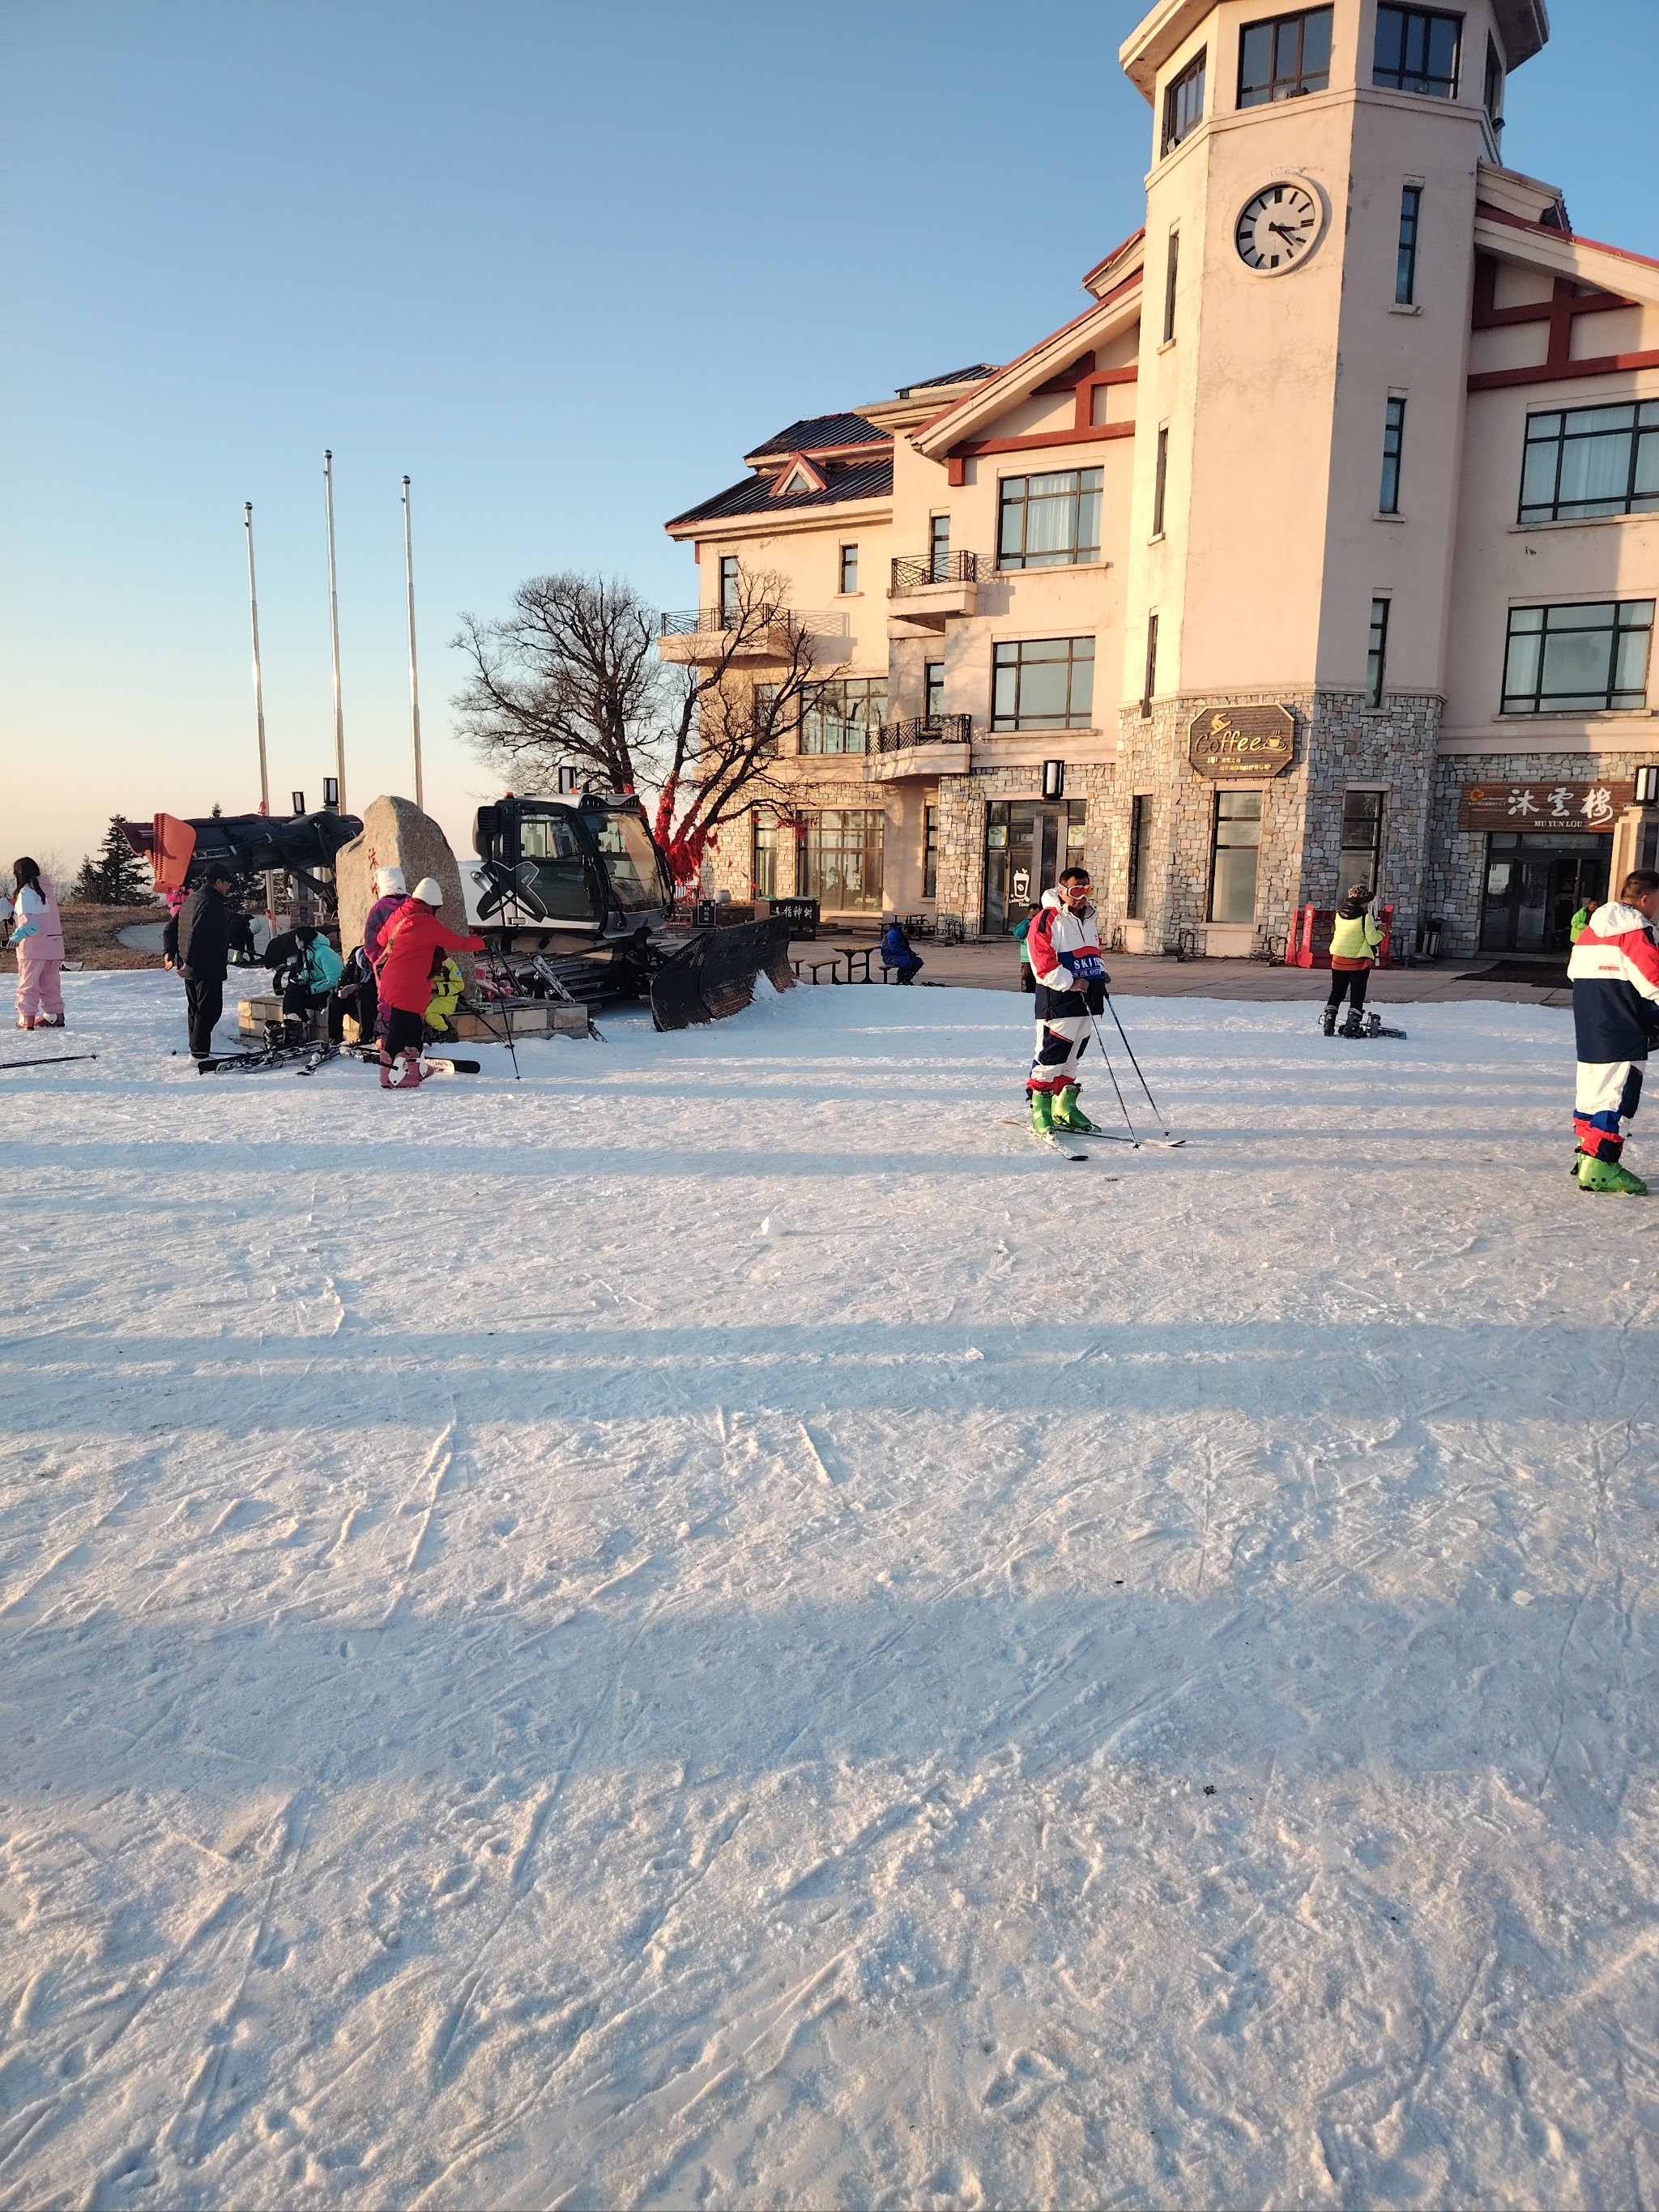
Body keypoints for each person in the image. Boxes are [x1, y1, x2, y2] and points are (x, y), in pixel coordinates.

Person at [1565, 867, 1659, 1194]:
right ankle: (1602, 1168)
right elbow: (1653, 982)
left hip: (1590, 1027)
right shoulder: (1636, 932)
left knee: (1592, 1097)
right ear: (1645, 899)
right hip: (1623, 1029)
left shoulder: (1590, 932)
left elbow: (1573, 972)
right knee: (1617, 1098)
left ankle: (1587, 1155)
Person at [373, 876, 484, 1089]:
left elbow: (380, 939)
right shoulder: (426, 922)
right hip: (408, 983)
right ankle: (389, 1077)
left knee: (414, 1024)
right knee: (399, 1027)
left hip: (395, 977)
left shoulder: (400, 915)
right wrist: (482, 942)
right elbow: (458, 943)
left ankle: (417, 1068)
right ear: (433, 904)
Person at [1026, 867, 1107, 1136]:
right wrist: (1069, 981)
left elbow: (1092, 951)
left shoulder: (1089, 918)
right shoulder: (1047, 919)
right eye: (1076, 890)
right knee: (1052, 1055)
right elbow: (1042, 962)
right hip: (1058, 1000)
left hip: (1087, 999)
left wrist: (1099, 972)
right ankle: (1040, 1108)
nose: (1082, 896)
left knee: (1074, 1056)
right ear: (1062, 891)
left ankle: (1065, 1106)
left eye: (1086, 890)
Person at [171, 863, 238, 1059]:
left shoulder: (192, 899)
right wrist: (189, 961)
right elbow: (197, 934)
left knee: (195, 1009)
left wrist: (173, 954)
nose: (228, 888)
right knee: (209, 1010)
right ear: (219, 882)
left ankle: (197, 1050)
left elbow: (171, 928)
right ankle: (200, 1054)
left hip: (191, 966)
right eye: (227, 883)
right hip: (206, 965)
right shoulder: (211, 904)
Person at [11, 859, 66, 1030]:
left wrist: (16, 937)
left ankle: (26, 1019)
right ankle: (55, 1016)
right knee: (50, 983)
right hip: (54, 944)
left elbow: (31, 925)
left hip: (34, 948)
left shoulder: (27, 893)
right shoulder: (47, 892)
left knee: (28, 983)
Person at [1322, 884, 1384, 1036]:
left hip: (1338, 958)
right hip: (1358, 961)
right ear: (1364, 902)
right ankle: (1353, 1026)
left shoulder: (1339, 914)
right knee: (1357, 993)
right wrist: (1381, 932)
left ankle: (1329, 1021)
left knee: (1337, 991)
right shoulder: (1365, 917)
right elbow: (1372, 939)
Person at [277, 927, 344, 1033]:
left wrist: (311, 988)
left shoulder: (324, 952)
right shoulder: (307, 952)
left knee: (293, 995)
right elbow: (307, 974)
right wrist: (301, 981)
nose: (295, 942)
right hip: (315, 991)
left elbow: (334, 980)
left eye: (297, 939)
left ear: (303, 940)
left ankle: (297, 1028)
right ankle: (294, 1026)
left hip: (329, 993)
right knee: (292, 991)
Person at [362, 866, 409, 965]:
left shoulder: (379, 908)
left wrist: (380, 958)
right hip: (417, 957)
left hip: (389, 960)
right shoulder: (413, 903)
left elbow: (370, 939)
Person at [879, 914, 923, 984]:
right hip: (889, 956)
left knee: (918, 962)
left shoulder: (903, 936)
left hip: (901, 955)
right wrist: (906, 953)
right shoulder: (893, 934)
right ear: (905, 931)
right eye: (908, 936)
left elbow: (906, 947)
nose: (908, 938)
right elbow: (894, 949)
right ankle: (901, 977)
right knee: (906, 962)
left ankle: (908, 977)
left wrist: (911, 952)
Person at [1012, 903, 1036, 994]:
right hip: (1027, 958)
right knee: (1027, 982)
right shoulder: (1025, 923)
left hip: (1038, 957)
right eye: (1033, 915)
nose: (1035, 917)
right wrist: (1027, 923)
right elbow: (1018, 933)